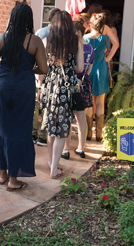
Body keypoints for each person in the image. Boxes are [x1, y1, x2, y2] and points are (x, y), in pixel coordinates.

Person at [0, 3, 47, 191]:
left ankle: (2, 174)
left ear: (12, 18)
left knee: (1, 127)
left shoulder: (0, 38)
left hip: (2, 87)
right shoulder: (35, 41)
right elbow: (43, 69)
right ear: (29, 19)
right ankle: (14, 180)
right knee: (19, 130)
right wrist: (28, 68)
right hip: (23, 88)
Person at [41, 11, 84, 179]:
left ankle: (52, 163)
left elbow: (42, 69)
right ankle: (54, 168)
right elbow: (80, 68)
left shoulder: (47, 41)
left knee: (51, 126)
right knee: (62, 128)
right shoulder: (75, 41)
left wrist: (39, 87)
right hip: (66, 89)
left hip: (50, 87)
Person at [61, 18, 95, 159]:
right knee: (81, 118)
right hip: (84, 82)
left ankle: (66, 149)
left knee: (67, 116)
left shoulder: (74, 47)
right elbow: (89, 70)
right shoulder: (91, 48)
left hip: (72, 82)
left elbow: (72, 67)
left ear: (78, 32)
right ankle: (81, 148)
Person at [84, 13, 118, 142]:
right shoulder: (105, 39)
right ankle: (98, 135)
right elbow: (116, 44)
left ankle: (88, 133)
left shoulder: (84, 38)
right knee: (100, 101)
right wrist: (108, 58)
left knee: (88, 102)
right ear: (102, 25)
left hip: (88, 70)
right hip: (102, 68)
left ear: (91, 24)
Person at [32, 7, 60, 146]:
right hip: (51, 77)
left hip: (40, 73)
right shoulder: (63, 38)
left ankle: (33, 134)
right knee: (46, 107)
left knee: (37, 105)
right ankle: (42, 136)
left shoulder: (41, 34)